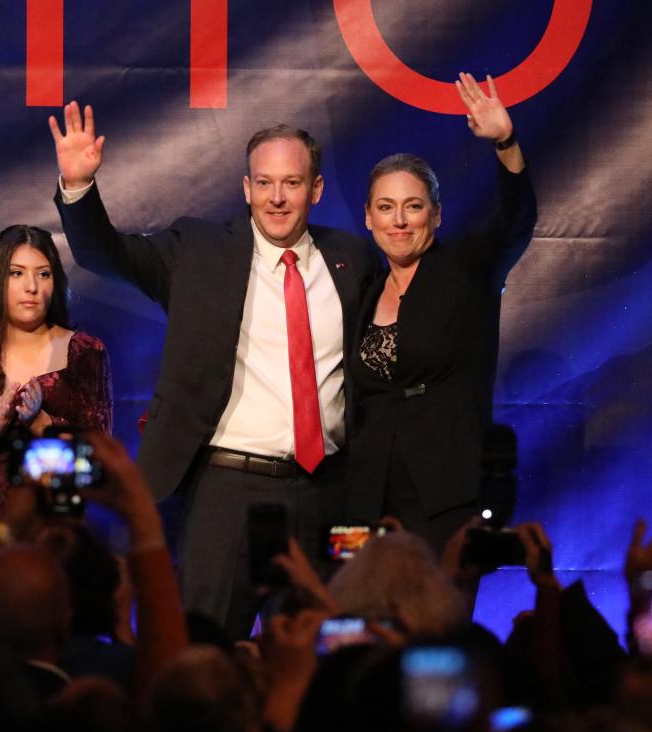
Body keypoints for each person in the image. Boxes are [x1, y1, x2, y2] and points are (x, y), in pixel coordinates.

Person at [50, 103, 378, 639]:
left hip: (328, 491)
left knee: (320, 652)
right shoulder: (198, 252)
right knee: (206, 648)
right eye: (265, 183)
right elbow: (103, 254)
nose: (277, 198)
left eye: (292, 183)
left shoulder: (353, 260)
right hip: (226, 491)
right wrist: (79, 187)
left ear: (315, 190)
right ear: (245, 188)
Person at [347, 73, 538, 554]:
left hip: (444, 495)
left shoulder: (465, 269)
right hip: (362, 499)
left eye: (413, 206)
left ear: (436, 214)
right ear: (368, 218)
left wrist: (505, 142)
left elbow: (517, 222)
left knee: (435, 621)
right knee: (358, 620)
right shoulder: (364, 290)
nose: (399, 220)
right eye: (386, 207)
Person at [0, 224, 112, 550]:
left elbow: (100, 459)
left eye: (43, 274)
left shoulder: (84, 352)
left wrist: (41, 424)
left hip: (56, 539)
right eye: (16, 273)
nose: (31, 287)